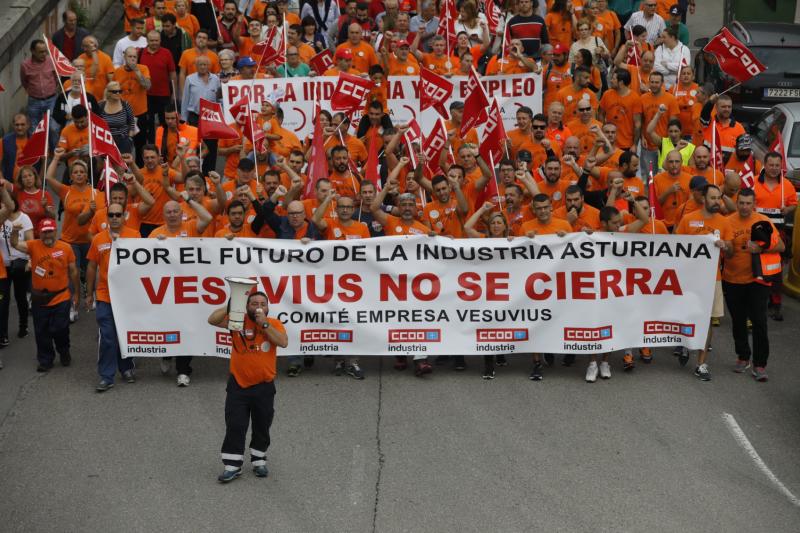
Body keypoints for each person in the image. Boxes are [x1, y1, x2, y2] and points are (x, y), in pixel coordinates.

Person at [208, 290, 288, 483]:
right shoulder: (238, 321)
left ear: (268, 307)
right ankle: (232, 465)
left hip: (264, 387)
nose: (259, 306)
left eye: (263, 303)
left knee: (262, 425)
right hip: (238, 385)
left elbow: (283, 342)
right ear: (247, 307)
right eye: (254, 303)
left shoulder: (274, 324)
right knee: (235, 425)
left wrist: (264, 324)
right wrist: (231, 304)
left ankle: (259, 459)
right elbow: (212, 319)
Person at [721, 188, 784, 382]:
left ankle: (760, 364)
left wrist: (762, 248)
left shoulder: (763, 221)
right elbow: (729, 253)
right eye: (741, 203)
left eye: (748, 203)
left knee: (759, 321)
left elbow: (781, 246)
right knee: (738, 321)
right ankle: (742, 356)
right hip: (732, 279)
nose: (745, 207)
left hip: (758, 280)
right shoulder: (728, 221)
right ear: (736, 202)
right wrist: (725, 247)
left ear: (754, 203)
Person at [151, 198, 213, 386]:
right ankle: (167, 355)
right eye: (168, 212)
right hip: (166, 290)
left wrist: (189, 200)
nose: (172, 215)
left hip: (188, 290)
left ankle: (183, 371)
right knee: (168, 326)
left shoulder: (191, 227)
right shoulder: (155, 233)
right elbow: (145, 262)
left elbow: (208, 217)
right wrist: (155, 245)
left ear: (181, 213)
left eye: (175, 211)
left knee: (187, 329)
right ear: (163, 215)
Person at [674, 184, 730, 380]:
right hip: (688, 279)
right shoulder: (688, 220)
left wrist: (725, 245)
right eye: (713, 198)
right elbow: (673, 246)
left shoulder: (724, 222)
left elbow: (730, 249)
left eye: (719, 198)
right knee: (687, 315)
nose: (717, 202)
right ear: (703, 198)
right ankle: (684, 344)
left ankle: (701, 363)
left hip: (712, 279)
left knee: (707, 322)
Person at [45, 148, 107, 322]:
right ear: (71, 176)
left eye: (82, 172)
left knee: (90, 272)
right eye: (76, 172)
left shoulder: (96, 193)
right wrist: (57, 157)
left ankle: (92, 295)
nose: (79, 175)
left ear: (87, 175)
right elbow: (49, 178)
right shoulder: (66, 191)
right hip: (70, 240)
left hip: (90, 239)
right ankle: (73, 304)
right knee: (72, 274)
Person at [10, 218, 79, 372]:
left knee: (60, 328)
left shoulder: (66, 248)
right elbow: (14, 244)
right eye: (44, 232)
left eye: (50, 231)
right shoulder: (33, 246)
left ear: (56, 231)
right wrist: (15, 231)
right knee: (41, 331)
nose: (47, 235)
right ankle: (45, 360)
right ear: (39, 233)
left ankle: (63, 350)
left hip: (61, 297)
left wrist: (76, 294)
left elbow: (73, 272)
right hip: (40, 299)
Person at [86, 202, 141, 392]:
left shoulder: (134, 236)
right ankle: (106, 376)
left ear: (124, 216)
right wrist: (89, 293)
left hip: (127, 296)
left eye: (118, 215)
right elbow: (92, 266)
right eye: (111, 215)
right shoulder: (98, 239)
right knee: (108, 336)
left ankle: (126, 368)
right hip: (105, 295)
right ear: (107, 217)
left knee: (124, 333)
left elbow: (143, 264)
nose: (115, 218)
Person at [753, 151, 797, 322]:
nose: (773, 168)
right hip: (757, 232)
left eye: (777, 165)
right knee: (756, 269)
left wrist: (788, 209)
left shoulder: (787, 185)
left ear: (781, 167)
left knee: (776, 272)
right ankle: (757, 302)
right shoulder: (753, 182)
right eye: (770, 165)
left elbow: (793, 204)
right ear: (765, 164)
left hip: (778, 234)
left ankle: (775, 303)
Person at [180, 56, 221, 175]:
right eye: (200, 65)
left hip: (211, 117)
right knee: (196, 146)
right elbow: (185, 99)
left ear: (209, 66)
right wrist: (183, 120)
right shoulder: (190, 79)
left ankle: (210, 173)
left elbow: (219, 99)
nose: (203, 67)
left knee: (211, 147)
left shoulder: (216, 79)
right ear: (196, 66)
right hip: (195, 117)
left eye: (205, 65)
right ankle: (196, 173)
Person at [0, 187, 29, 348]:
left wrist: (1, 189)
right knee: (3, 304)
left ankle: (23, 326)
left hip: (17, 264)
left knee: (19, 297)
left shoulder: (21, 218)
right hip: (3, 267)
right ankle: (3, 335)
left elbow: (9, 207)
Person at [138, 31, 177, 146]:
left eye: (156, 40)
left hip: (163, 94)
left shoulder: (166, 53)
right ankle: (151, 145)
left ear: (160, 40)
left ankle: (165, 145)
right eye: (152, 40)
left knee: (165, 122)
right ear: (147, 41)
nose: (154, 43)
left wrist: (174, 92)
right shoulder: (141, 53)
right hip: (146, 95)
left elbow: (172, 73)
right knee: (148, 123)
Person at [640, 71, 678, 176]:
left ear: (662, 83)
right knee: (649, 176)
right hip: (648, 145)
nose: (654, 84)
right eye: (652, 82)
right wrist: (642, 137)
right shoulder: (643, 98)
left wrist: (670, 144)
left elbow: (673, 124)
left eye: (657, 82)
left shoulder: (671, 99)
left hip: (665, 144)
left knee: (665, 175)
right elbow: (641, 121)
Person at [20, 40, 58, 137]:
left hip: (51, 100)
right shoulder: (25, 65)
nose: (44, 54)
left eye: (45, 51)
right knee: (33, 128)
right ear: (33, 51)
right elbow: (24, 82)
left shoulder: (51, 61)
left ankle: (53, 150)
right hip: (34, 101)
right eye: (41, 52)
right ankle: (36, 151)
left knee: (53, 127)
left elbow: (56, 77)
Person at [653, 149, 691, 230]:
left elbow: (693, 204)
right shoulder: (657, 179)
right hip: (663, 224)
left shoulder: (690, 179)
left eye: (677, 161)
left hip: (683, 224)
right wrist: (668, 191)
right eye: (671, 162)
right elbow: (653, 206)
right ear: (666, 163)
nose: (674, 165)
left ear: (681, 162)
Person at [646, 105, 693, 170]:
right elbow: (649, 131)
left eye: (676, 131)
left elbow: (691, 169)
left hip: (681, 177)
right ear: (667, 132)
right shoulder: (662, 142)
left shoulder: (690, 147)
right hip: (664, 176)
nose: (673, 134)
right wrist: (658, 114)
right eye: (671, 131)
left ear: (681, 132)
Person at [99, 81, 136, 154]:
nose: (118, 93)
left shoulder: (125, 105)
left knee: (124, 163)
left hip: (123, 140)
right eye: (115, 92)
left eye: (120, 91)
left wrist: (130, 138)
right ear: (108, 93)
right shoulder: (101, 106)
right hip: (107, 141)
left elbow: (132, 122)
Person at [79, 36, 116, 101]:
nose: (84, 49)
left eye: (87, 46)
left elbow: (112, 80)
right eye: (83, 46)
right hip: (85, 98)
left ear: (95, 46)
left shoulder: (105, 58)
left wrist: (107, 97)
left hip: (102, 99)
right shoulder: (80, 58)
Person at [0, 115, 30, 182]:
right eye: (17, 125)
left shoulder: (35, 141)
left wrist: (39, 180)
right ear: (13, 125)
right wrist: (2, 181)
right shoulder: (4, 141)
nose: (20, 128)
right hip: (10, 184)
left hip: (32, 186)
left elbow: (43, 163)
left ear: (28, 125)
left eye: (23, 124)